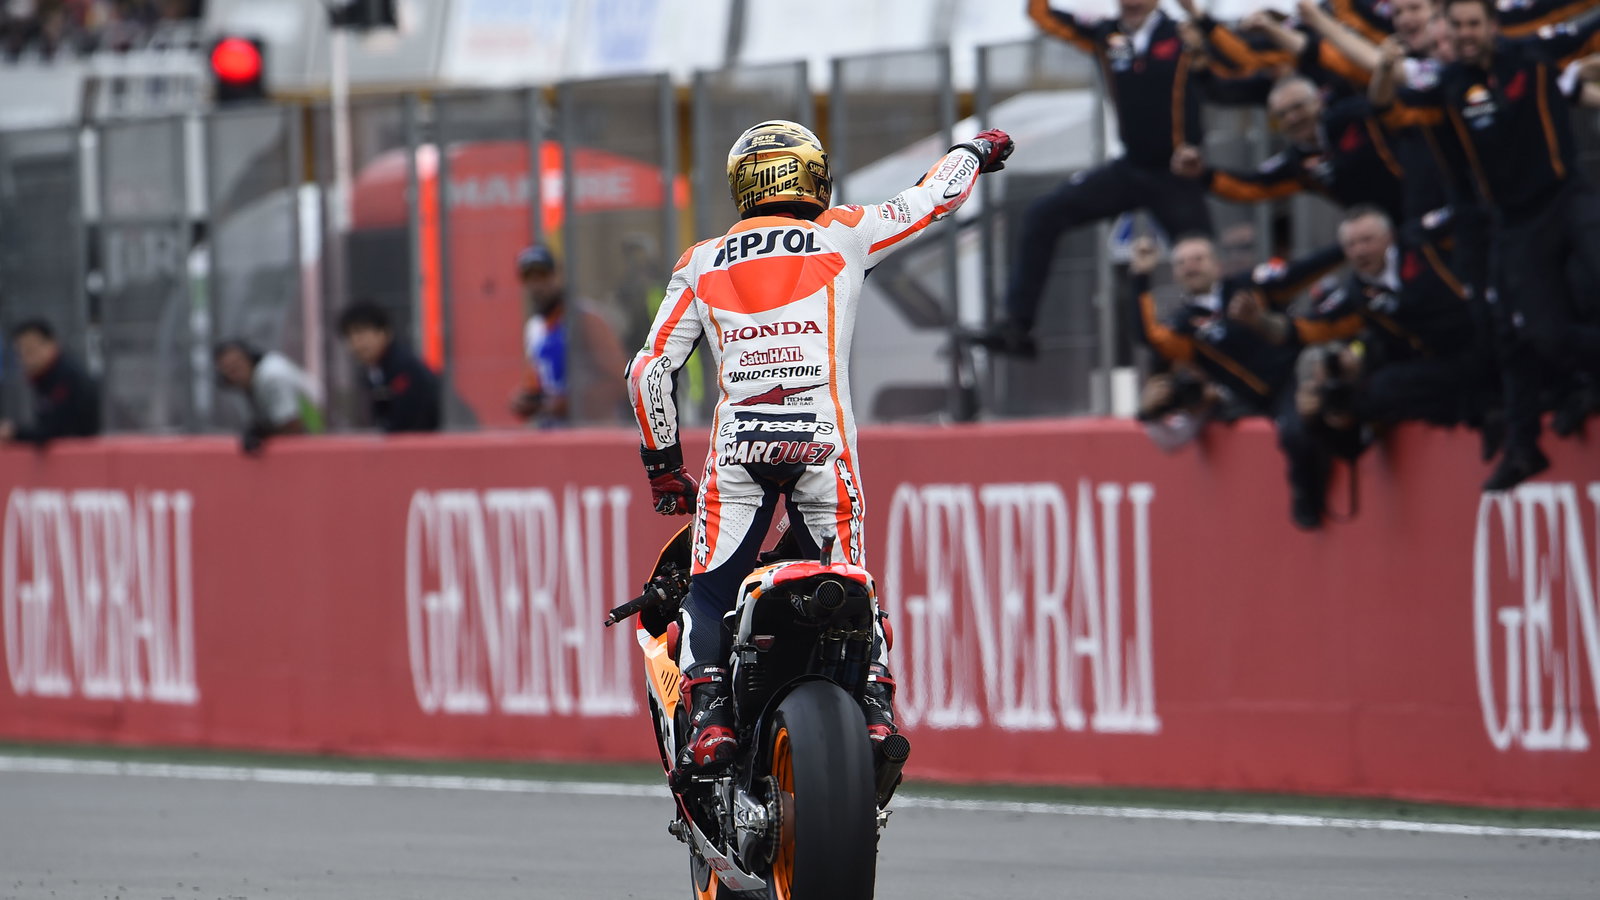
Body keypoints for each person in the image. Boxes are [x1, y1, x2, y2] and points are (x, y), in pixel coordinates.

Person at [625, 119, 1013, 779]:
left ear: (743, 186)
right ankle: (876, 710)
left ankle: (712, 717)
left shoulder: (700, 261)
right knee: (853, 587)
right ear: (812, 175)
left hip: (738, 453)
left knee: (709, 594)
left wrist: (664, 470)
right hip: (821, 446)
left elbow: (648, 373)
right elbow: (934, 197)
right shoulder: (844, 231)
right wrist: (973, 152)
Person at [1373, 0, 1600, 489]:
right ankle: (1526, 445)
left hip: (1567, 196)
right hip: (1513, 223)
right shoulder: (1446, 86)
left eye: (1474, 24)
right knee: (1538, 335)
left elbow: (1587, 32)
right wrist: (1385, 70)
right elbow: (1388, 107)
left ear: (1492, 26)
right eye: (1457, 25)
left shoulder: (1532, 55)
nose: (1466, 33)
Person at [979, 0, 1220, 357]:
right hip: (1130, 166)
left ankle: (1220, 343)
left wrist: (1194, 143)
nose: (1132, 4)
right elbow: (1040, 14)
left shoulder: (1182, 34)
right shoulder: (1105, 34)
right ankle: (1017, 327)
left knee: (1200, 255)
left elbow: (1223, 76)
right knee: (1042, 215)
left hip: (1176, 173)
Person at [1171, 74, 1409, 224]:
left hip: (1420, 201)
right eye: (1282, 115)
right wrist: (1203, 173)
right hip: (1385, 228)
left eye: (1298, 107)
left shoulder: (1355, 116)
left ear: (1318, 101)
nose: (1293, 118)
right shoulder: (1296, 162)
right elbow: (1253, 186)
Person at [510, 243, 629, 427]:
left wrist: (572, 403)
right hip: (553, 432)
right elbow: (537, 381)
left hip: (592, 431)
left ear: (558, 276)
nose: (536, 286)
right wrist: (526, 399)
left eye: (542, 276)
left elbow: (620, 380)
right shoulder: (534, 328)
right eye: (529, 278)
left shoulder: (585, 319)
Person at [336, 301, 442, 433]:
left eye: (361, 333)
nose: (356, 342)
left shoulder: (403, 367)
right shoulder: (374, 371)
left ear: (384, 333)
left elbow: (408, 420)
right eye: (349, 336)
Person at [213, 340, 325, 454]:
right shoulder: (253, 382)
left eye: (237, 364)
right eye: (228, 369)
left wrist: (262, 434)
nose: (235, 372)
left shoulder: (272, 375)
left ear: (249, 358)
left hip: (315, 438)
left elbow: (292, 424)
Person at [0, 319, 100, 445]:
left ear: (51, 344)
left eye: (31, 350)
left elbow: (53, 431)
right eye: (21, 353)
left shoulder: (66, 377)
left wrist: (14, 433)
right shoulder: (45, 377)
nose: (26, 359)